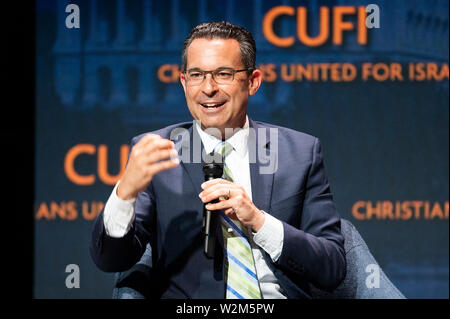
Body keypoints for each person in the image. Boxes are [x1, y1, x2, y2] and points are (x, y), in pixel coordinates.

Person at [90, 21, 346, 299]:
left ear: (253, 82)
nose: (208, 89)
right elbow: (111, 261)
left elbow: (332, 266)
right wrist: (125, 192)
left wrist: (259, 221)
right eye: (197, 75)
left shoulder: (300, 152)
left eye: (223, 74)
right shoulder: (156, 151)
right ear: (184, 83)